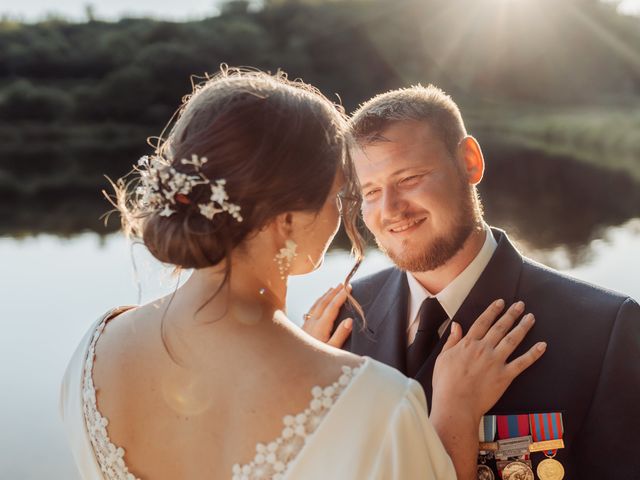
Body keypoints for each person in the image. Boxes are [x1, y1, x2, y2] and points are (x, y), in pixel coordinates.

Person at [59, 69, 546, 480]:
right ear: (288, 221)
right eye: (342, 195)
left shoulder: (92, 354)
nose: (350, 217)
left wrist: (310, 357)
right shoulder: (377, 402)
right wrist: (454, 420)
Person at [312, 85, 640, 478]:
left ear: (469, 161)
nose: (390, 209)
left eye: (410, 178)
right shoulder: (337, 328)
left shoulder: (605, 329)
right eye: (371, 191)